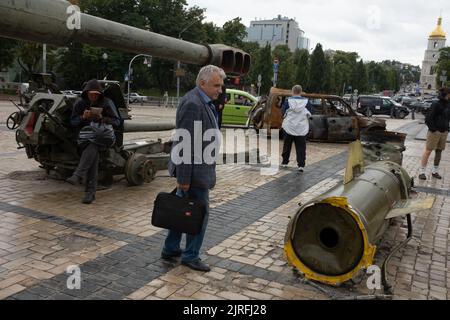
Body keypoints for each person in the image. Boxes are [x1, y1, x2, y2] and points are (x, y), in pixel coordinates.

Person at [161, 65, 224, 272]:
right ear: (202, 83)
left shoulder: (203, 102)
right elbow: (184, 143)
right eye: (216, 85)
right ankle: (191, 256)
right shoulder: (193, 104)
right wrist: (185, 178)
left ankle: (170, 249)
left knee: (181, 211)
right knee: (200, 214)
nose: (220, 90)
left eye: (221, 86)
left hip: (196, 170)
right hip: (194, 174)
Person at [66, 79, 121, 204]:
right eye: (91, 93)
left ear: (100, 94)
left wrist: (103, 118)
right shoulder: (80, 103)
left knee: (93, 146)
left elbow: (117, 121)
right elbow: (72, 122)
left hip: (105, 137)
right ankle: (89, 193)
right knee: (93, 150)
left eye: (96, 94)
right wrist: (82, 117)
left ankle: (79, 175)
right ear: (87, 93)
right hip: (86, 137)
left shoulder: (107, 102)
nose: (93, 96)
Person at [419, 87, 450, 181]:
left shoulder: (449, 104)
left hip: (444, 132)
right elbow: (428, 119)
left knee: (439, 151)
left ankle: (435, 171)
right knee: (428, 151)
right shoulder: (436, 104)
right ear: (446, 94)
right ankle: (422, 172)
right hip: (434, 132)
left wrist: (447, 129)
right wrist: (433, 130)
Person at [281, 85, 311, 172]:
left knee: (287, 145)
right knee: (301, 147)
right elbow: (310, 113)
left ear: (292, 91)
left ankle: (285, 162)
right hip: (301, 128)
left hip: (289, 127)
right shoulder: (307, 102)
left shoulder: (287, 101)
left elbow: (283, 113)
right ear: (300, 92)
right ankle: (301, 165)